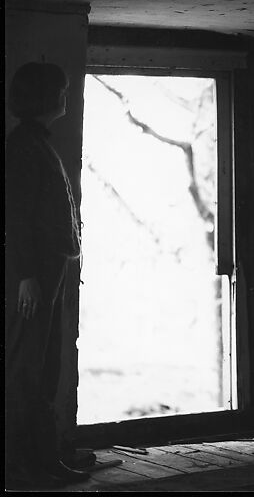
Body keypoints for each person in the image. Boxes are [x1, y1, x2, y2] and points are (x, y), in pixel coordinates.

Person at [5, 62, 90, 489]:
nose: (65, 98)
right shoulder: (23, 146)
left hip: (46, 273)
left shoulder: (36, 143)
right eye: (60, 90)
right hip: (36, 275)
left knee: (42, 370)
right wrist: (25, 276)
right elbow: (15, 217)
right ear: (43, 96)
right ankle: (28, 464)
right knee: (28, 372)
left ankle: (40, 459)